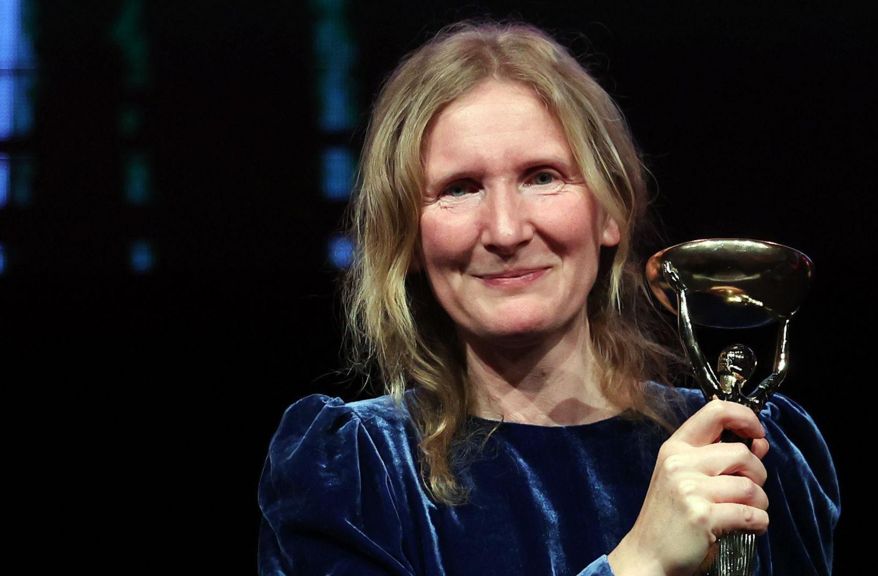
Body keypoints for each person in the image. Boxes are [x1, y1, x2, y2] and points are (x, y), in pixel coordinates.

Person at [258, 21, 839, 576]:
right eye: (460, 189)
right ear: (406, 236)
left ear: (610, 211)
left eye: (542, 177)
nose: (506, 231)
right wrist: (638, 564)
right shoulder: (352, 470)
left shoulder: (747, 445)